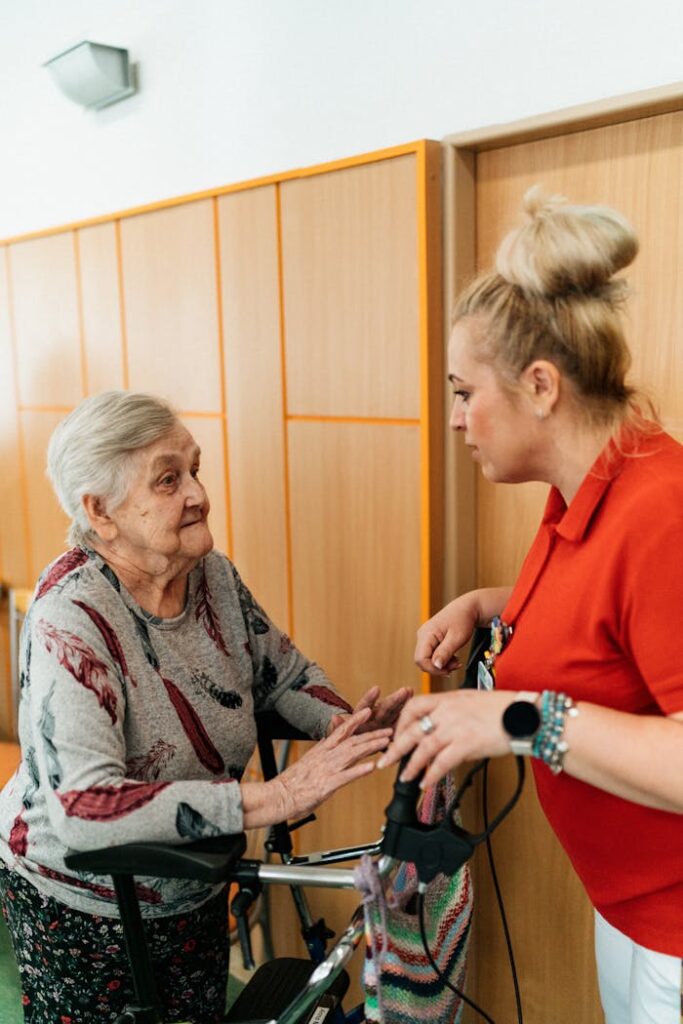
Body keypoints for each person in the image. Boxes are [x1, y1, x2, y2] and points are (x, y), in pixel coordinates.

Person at [0, 389, 411, 1024]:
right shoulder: (70, 622)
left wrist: (344, 725)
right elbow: (85, 807)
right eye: (169, 479)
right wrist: (270, 800)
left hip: (192, 882)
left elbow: (283, 674)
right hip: (85, 907)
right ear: (100, 511)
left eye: (194, 469)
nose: (197, 493)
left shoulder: (211, 577)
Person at [379, 188, 683, 1024]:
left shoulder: (660, 508)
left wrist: (514, 719)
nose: (454, 419)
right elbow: (610, 614)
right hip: (630, 904)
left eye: (463, 391)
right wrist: (488, 603)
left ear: (540, 385)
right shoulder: (590, 486)